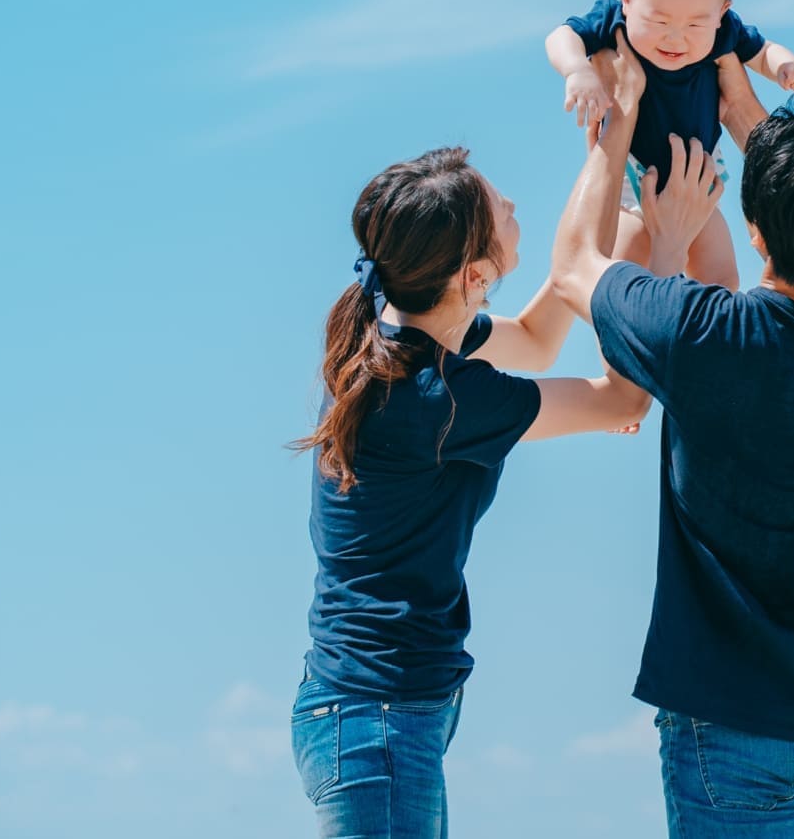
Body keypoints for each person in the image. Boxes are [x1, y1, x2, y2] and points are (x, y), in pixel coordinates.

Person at [289, 63, 721, 839]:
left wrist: (614, 173)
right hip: (378, 718)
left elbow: (539, 332)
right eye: (498, 205)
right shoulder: (438, 398)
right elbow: (620, 398)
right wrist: (668, 246)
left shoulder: (404, 332)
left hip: (374, 711)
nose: (514, 201)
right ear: (474, 273)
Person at [549, 43, 794, 838]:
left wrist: (620, 121)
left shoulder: (702, 336)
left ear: (755, 230)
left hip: (728, 722)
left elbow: (572, 267)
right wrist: (747, 114)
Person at [545, 0, 794, 290]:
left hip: (698, 178)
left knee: (722, 279)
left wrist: (784, 65)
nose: (675, 38)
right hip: (631, 178)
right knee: (619, 275)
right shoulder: (612, 19)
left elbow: (762, 51)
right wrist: (577, 69)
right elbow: (563, 36)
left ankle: (712, 335)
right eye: (658, 21)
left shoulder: (725, 32)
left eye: (694, 26)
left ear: (721, 12)